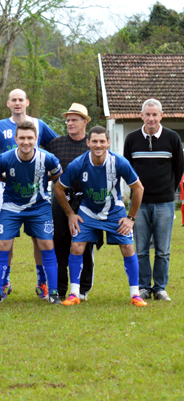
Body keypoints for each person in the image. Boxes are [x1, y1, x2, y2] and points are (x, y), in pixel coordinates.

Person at [55, 126, 146, 306]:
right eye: (94, 141)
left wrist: (131, 218)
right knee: (77, 247)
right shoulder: (78, 163)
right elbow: (58, 188)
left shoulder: (119, 162)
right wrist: (71, 214)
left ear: (108, 143)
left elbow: (138, 188)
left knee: (127, 248)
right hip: (88, 212)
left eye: (102, 141)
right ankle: (74, 294)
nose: (98, 145)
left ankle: (135, 295)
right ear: (88, 143)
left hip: (114, 212)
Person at [0, 88, 59, 299]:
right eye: (22, 138)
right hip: (11, 205)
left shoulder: (48, 158)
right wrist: (10, 179)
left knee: (45, 243)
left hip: (39, 206)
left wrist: (41, 181)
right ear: (15, 137)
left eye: (30, 138)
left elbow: (57, 177)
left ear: (36, 138)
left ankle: (50, 289)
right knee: (3, 243)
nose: (26, 142)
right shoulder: (4, 157)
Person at [124, 98, 184, 302]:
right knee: (140, 249)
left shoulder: (172, 138)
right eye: (147, 114)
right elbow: (127, 169)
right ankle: (143, 287)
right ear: (141, 115)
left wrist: (169, 190)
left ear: (161, 115)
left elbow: (178, 168)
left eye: (154, 114)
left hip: (164, 203)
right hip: (138, 204)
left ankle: (160, 288)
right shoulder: (132, 139)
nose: (151, 118)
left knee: (163, 250)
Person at [46, 103, 99, 300]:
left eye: (74, 119)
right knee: (59, 243)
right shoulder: (55, 144)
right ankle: (60, 289)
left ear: (84, 122)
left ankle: (83, 289)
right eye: (67, 120)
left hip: (86, 201)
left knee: (84, 245)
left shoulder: (93, 144)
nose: (69, 123)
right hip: (61, 199)